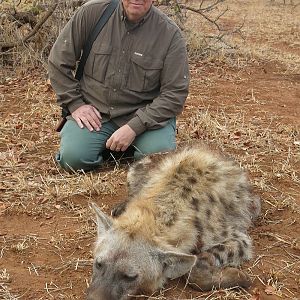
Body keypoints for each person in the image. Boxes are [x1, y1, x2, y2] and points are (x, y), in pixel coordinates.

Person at [48, 0, 189, 172]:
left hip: (145, 118)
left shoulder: (170, 34)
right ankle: (111, 146)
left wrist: (134, 127)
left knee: (158, 163)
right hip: (97, 113)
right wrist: (75, 104)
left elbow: (175, 94)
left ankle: (134, 144)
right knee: (73, 160)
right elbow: (58, 61)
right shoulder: (92, 13)